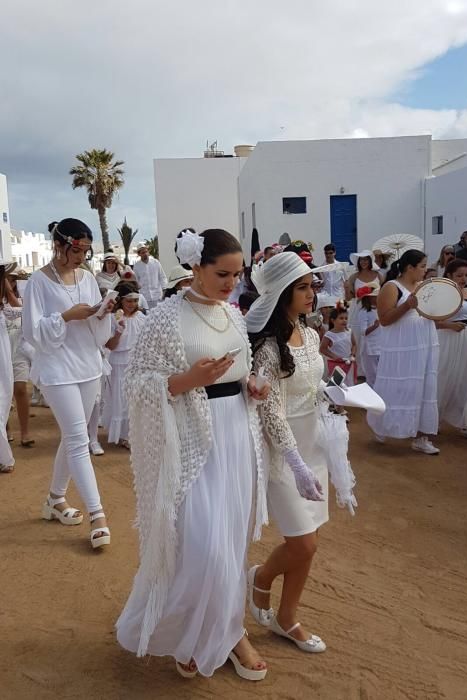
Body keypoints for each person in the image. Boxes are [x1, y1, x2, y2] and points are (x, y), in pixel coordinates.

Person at [116, 229, 270, 681]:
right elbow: (138, 385)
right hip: (190, 439)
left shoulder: (234, 315)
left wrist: (253, 387)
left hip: (236, 434)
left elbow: (240, 372)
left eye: (237, 274)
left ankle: (231, 630)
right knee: (201, 546)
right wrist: (187, 381)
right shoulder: (164, 317)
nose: (230, 283)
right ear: (196, 268)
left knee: (232, 541)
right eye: (222, 273)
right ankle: (189, 629)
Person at [246, 251, 339, 655]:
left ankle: (288, 618)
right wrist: (296, 463)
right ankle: (260, 579)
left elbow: (311, 387)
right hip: (284, 454)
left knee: (310, 540)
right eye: (302, 287)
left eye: (311, 286)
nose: (311, 293)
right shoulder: (268, 346)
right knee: (303, 544)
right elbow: (271, 411)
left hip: (313, 443)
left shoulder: (312, 335)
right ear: (282, 294)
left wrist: (336, 396)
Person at [22, 218, 114, 548]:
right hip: (57, 369)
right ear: (60, 244)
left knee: (72, 435)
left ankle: (55, 499)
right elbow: (33, 332)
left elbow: (94, 324)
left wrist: (101, 313)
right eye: (77, 249)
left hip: (87, 365)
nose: (81, 256)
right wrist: (66, 316)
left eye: (86, 251)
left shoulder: (87, 277)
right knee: (77, 438)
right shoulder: (37, 282)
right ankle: (98, 515)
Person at [367, 249, 440, 455]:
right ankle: (381, 426)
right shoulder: (392, 287)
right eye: (423, 266)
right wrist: (408, 305)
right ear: (410, 268)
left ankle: (421, 436)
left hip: (424, 344)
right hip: (401, 347)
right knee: (397, 387)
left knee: (424, 387)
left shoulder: (423, 287)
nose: (426, 271)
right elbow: (385, 319)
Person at [435, 259, 467, 441]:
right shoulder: (443, 294)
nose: (464, 278)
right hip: (450, 338)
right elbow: (432, 321)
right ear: (449, 275)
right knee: (445, 377)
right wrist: (448, 325)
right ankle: (434, 420)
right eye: (459, 275)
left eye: (466, 275)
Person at [102, 281, 146, 449]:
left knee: (137, 399)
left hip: (138, 363)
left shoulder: (142, 318)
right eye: (129, 301)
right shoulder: (113, 319)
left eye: (135, 300)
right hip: (119, 363)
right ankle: (123, 434)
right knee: (122, 398)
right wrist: (119, 330)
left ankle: (136, 433)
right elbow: (111, 346)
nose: (132, 304)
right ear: (120, 301)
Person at [5, 270, 34, 447]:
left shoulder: (21, 300)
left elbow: (21, 311)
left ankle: (25, 432)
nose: (11, 281)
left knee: (20, 389)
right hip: (3, 351)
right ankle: (6, 430)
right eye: (8, 278)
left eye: (13, 279)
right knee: (4, 394)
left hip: (19, 351)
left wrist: (8, 291)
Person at [347, 250, 382, 374]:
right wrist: (347, 288)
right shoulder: (354, 277)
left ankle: (374, 370)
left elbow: (382, 292)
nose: (364, 262)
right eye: (361, 260)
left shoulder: (378, 275)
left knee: (375, 337)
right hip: (358, 309)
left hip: (374, 309)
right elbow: (348, 297)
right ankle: (360, 371)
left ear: (370, 261)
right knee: (358, 337)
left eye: (366, 259)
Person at [0, 262, 20, 473]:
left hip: (2, 359)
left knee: (2, 400)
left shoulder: (3, 307)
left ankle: (3, 456)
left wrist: (5, 288)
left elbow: (17, 311)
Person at [320, 303, 356, 385]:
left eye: (346, 318)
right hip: (336, 365)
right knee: (337, 385)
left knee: (349, 384)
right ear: (333, 320)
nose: (344, 320)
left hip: (349, 363)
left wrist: (353, 354)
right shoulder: (329, 334)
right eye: (341, 318)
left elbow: (354, 344)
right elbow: (322, 349)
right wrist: (335, 357)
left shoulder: (349, 331)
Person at [357, 284, 381, 387]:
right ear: (370, 298)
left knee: (380, 374)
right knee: (372, 376)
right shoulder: (364, 312)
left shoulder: (380, 310)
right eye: (376, 296)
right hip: (370, 348)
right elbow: (363, 332)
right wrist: (375, 326)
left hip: (381, 346)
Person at [132, 243, 167, 308]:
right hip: (145, 298)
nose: (145, 254)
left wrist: (164, 291)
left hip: (158, 296)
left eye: (146, 252)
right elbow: (135, 282)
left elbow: (162, 277)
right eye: (143, 253)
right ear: (139, 254)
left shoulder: (156, 262)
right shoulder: (136, 266)